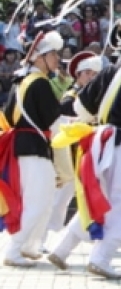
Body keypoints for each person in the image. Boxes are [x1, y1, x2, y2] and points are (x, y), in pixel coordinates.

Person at [48, 13, 121, 279]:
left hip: (98, 143)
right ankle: (101, 257)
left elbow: (80, 107)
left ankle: (62, 249)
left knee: (97, 198)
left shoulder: (108, 72)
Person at [0, 29, 68, 267]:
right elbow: (55, 123)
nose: (57, 59)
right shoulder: (40, 83)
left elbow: (8, 116)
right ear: (39, 58)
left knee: (38, 199)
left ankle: (29, 245)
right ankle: (15, 249)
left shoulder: (20, 82)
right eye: (53, 55)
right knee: (39, 201)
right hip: (35, 149)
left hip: (22, 148)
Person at [43, 51, 102, 251]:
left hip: (85, 152)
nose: (93, 78)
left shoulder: (92, 97)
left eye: (96, 75)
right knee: (59, 198)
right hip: (69, 153)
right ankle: (42, 238)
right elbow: (59, 124)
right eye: (90, 74)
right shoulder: (71, 98)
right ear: (80, 75)